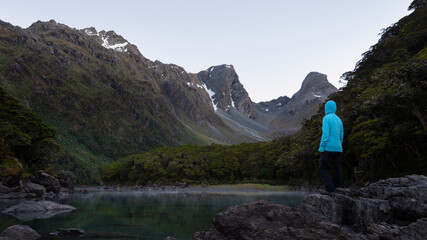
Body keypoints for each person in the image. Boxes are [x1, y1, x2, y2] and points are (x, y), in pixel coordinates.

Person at [318, 100, 344, 193]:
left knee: (323, 168)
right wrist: (339, 145)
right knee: (337, 168)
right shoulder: (339, 119)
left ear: (326, 108)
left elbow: (325, 134)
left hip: (328, 148)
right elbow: (341, 135)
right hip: (338, 148)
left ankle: (330, 188)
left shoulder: (326, 118)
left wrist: (322, 147)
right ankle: (340, 187)